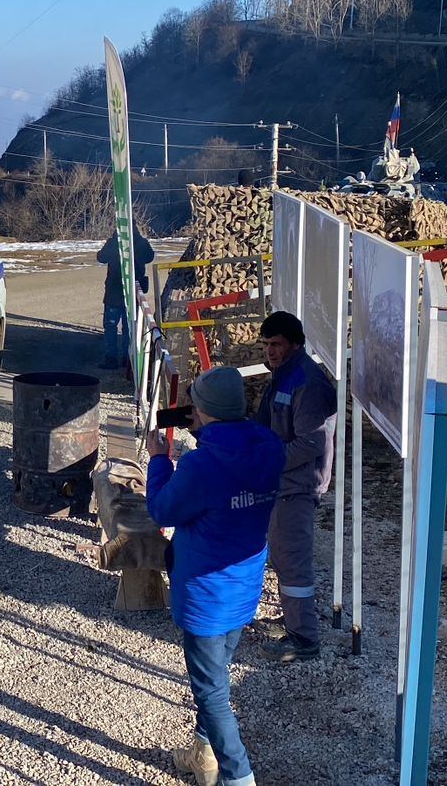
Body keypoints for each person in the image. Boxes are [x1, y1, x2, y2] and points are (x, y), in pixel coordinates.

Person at [145, 366, 283, 786]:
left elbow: (163, 510)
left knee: (212, 693)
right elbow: (232, 472)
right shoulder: (270, 447)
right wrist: (207, 430)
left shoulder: (200, 464)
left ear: (202, 410)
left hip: (205, 594)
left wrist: (158, 461)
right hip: (244, 585)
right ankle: (203, 755)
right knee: (218, 674)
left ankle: (238, 776)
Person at [253, 310, 337, 663]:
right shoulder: (284, 375)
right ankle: (293, 622)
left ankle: (304, 640)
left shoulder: (305, 381)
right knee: (285, 562)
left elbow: (311, 443)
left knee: (294, 562)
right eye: (266, 345)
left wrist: (268, 462)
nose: (270, 352)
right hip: (284, 484)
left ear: (296, 344)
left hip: (297, 487)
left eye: (276, 345)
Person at [95, 228, 155, 370]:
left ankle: (112, 358)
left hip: (114, 292)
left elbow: (101, 257)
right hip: (132, 291)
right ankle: (127, 359)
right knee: (129, 327)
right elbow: (150, 256)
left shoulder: (114, 242)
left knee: (111, 326)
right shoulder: (140, 242)